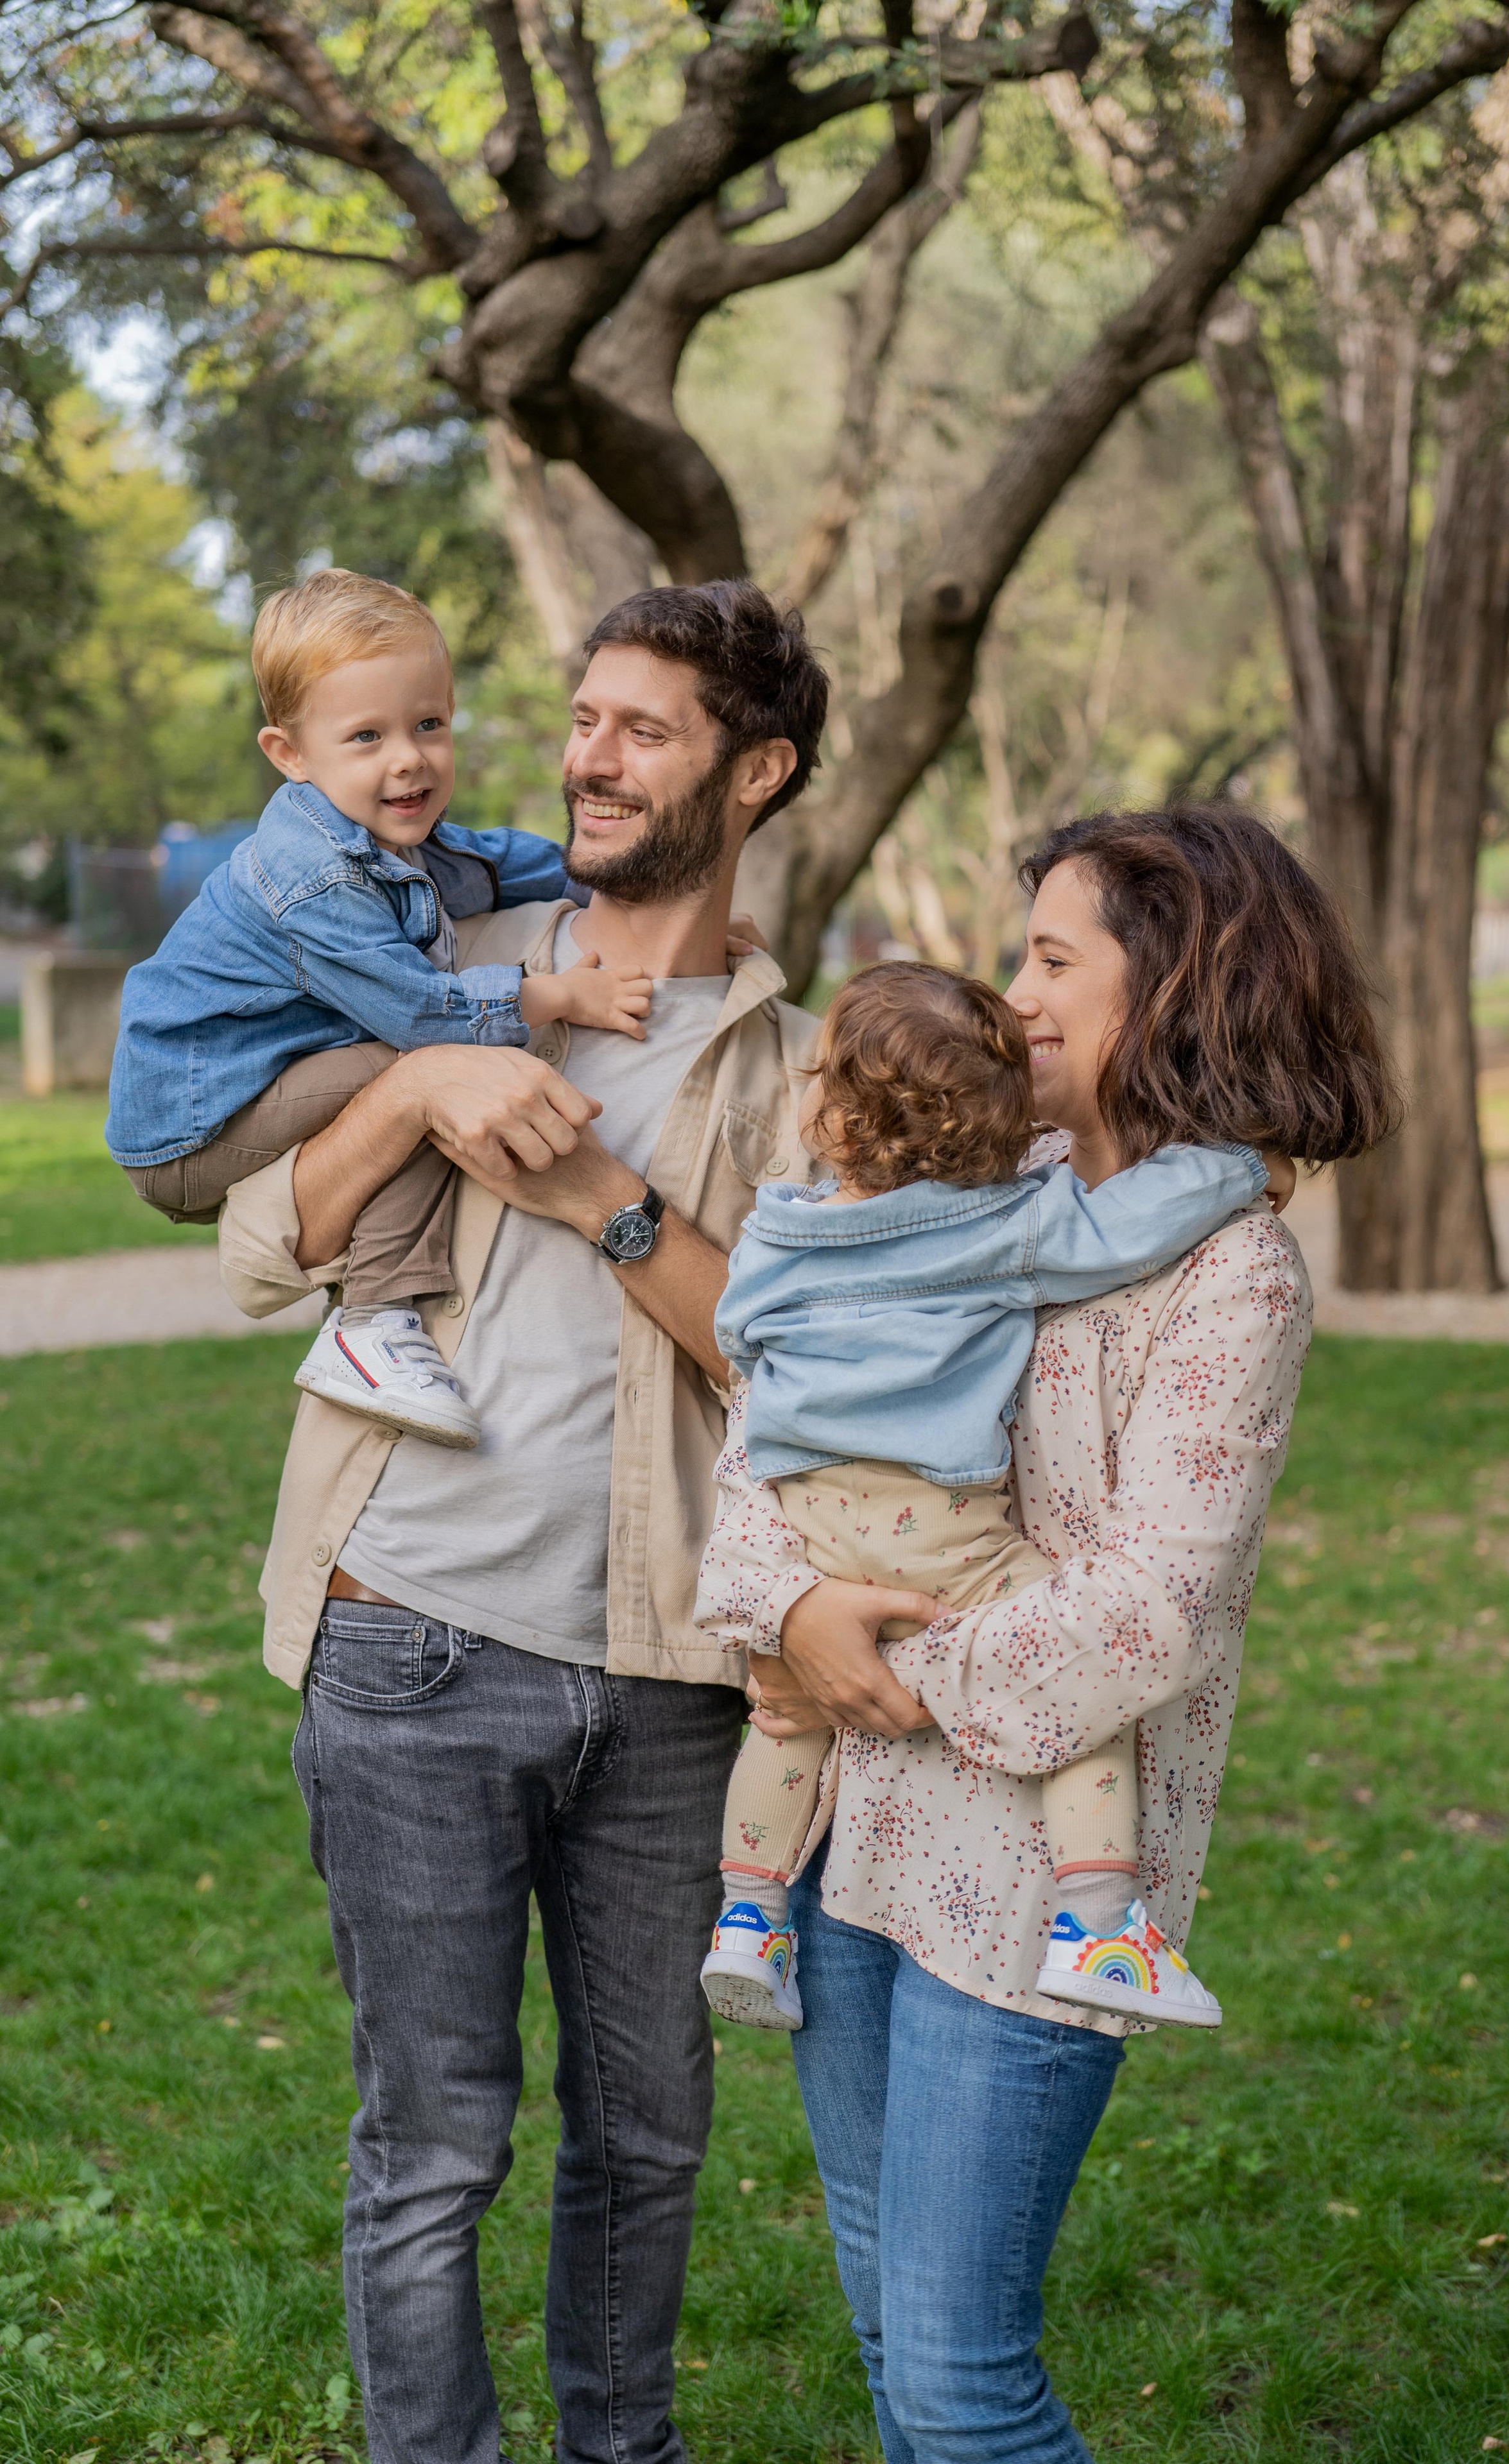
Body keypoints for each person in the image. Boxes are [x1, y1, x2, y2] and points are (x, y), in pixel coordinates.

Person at [697, 804, 1399, 2464]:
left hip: (1041, 1883)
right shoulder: (957, 1171)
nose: (1013, 995)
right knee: (885, 2336)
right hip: (840, 1850)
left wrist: (869, 1669)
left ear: (1173, 989)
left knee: (960, 2378)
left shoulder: (1231, 1278)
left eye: (1053, 960)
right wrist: (786, 1607)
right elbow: (769, 1424)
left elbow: (1152, 1606)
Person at [214, 579, 829, 2464]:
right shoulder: (440, 948)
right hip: (409, 1636)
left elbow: (796, 1366)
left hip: (669, 1685)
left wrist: (612, 1203)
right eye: (579, 716)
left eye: (642, 729)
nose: (585, 756)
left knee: (648, 2141)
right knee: (434, 2147)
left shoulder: (803, 1071)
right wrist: (416, 1079)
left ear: (758, 771)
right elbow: (259, 1243)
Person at [699, 959, 1276, 2035]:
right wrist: (1241, 1168)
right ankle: (1101, 1925)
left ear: (831, 1112)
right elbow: (1129, 1227)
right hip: (939, 1525)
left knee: (784, 1719)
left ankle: (746, 1918)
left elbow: (741, 1336)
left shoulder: (780, 1229)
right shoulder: (999, 1229)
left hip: (809, 1519)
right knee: (1080, 1706)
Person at [107, 567, 660, 1450]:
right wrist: (561, 995)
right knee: (429, 1075)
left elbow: (493, 863)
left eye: (428, 725)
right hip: (190, 1124)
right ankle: (373, 1320)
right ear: (290, 754)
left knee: (423, 1074)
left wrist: (635, 878)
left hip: (252, 1085)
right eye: (366, 736)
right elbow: (422, 1017)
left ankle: (374, 1307)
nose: (408, 758)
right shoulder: (314, 876)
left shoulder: (388, 833)